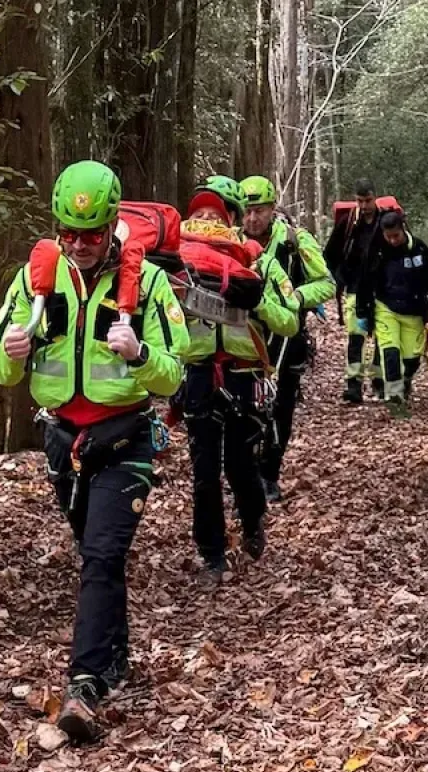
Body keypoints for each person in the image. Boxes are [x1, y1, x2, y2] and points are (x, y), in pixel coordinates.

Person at [0, 160, 190, 743]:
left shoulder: (147, 284)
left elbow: (174, 377)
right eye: (69, 234)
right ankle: (116, 656)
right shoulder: (34, 281)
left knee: (101, 557)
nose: (79, 245)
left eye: (92, 234)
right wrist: (13, 348)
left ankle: (84, 685)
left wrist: (139, 355)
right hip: (62, 442)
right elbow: (2, 370)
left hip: (125, 439)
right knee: (94, 554)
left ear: (110, 229)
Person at [180, 177, 298, 584]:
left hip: (245, 376)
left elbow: (289, 319)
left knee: (241, 466)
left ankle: (252, 523)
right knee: (205, 470)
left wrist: (255, 296)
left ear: (231, 217)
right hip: (197, 374)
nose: (207, 219)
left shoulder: (259, 260)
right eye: (199, 213)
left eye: (216, 213)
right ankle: (211, 554)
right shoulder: (178, 264)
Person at [239, 175, 335, 503]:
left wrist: (295, 296)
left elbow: (326, 283)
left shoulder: (295, 240)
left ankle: (269, 473)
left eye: (259, 210)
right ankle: (245, 470)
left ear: (272, 208)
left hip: (286, 340)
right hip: (244, 340)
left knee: (280, 407)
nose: (253, 218)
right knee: (244, 407)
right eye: (247, 211)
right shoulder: (231, 242)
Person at [357, 210, 428, 418]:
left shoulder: (419, 249)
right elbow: (365, 281)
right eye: (388, 236)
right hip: (385, 308)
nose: (392, 240)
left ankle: (405, 383)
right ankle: (394, 398)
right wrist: (362, 311)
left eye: (396, 235)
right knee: (390, 353)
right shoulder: (377, 250)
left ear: (403, 229)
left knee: (412, 358)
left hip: (414, 311)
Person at [325, 178, 386, 404]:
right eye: (359, 201)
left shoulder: (386, 221)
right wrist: (342, 277)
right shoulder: (348, 223)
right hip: (355, 290)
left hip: (382, 291)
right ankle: (354, 386)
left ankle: (379, 383)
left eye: (367, 200)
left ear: (375, 197)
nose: (363, 205)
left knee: (382, 338)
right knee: (356, 339)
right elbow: (329, 254)